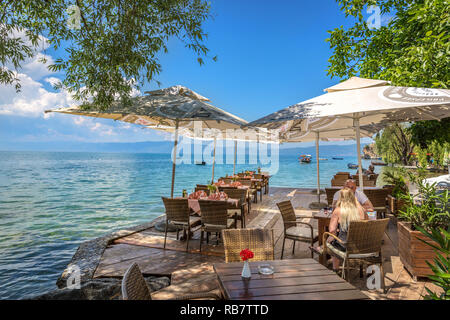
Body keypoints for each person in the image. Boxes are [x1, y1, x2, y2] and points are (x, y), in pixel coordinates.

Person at [328, 188, 368, 271]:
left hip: (345, 245)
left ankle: (336, 269)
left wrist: (330, 238)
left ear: (341, 198)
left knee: (332, 240)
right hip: (362, 244)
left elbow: (332, 231)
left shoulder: (338, 210)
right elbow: (367, 223)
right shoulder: (362, 210)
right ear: (353, 197)